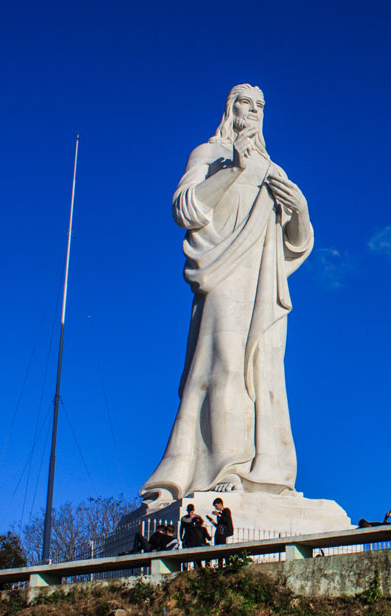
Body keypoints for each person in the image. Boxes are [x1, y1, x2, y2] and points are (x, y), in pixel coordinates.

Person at [142, 84, 316, 507]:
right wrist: (234, 170)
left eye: (260, 106)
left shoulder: (273, 167)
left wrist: (302, 209)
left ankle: (262, 471)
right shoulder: (209, 154)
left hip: (264, 283)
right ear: (229, 108)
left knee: (263, 370)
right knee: (221, 364)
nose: (252, 111)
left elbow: (295, 243)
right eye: (245, 103)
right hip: (223, 276)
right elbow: (187, 208)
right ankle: (224, 466)